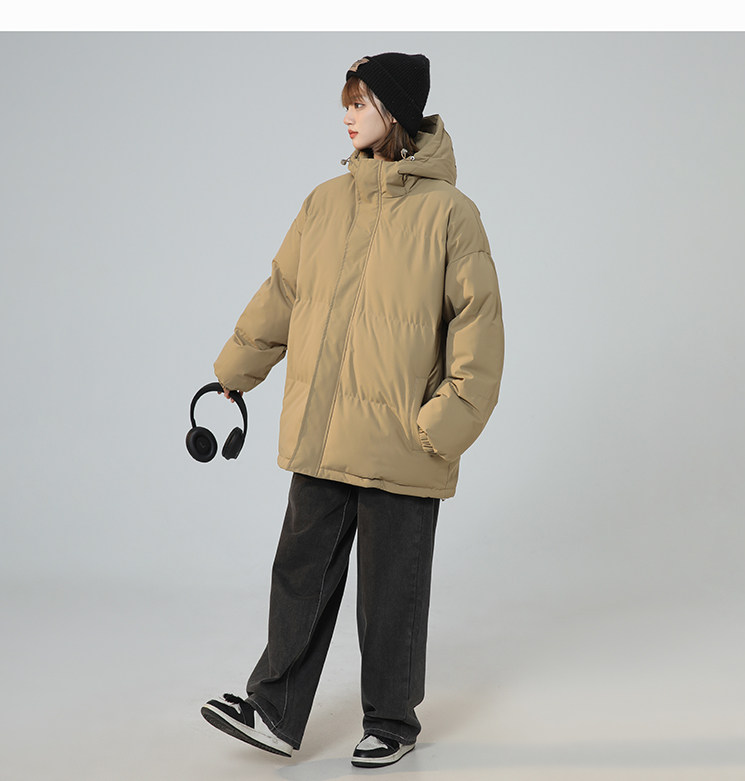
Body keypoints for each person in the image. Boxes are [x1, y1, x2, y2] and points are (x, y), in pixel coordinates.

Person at [200, 52, 504, 769]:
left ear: (393, 113)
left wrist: (441, 425)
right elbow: (283, 293)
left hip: (403, 441)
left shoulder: (451, 215)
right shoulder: (324, 203)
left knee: (390, 590)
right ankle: (275, 711)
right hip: (324, 430)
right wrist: (235, 371)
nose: (346, 115)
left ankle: (392, 721)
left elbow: (479, 328)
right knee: (298, 572)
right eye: (347, 102)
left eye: (360, 103)